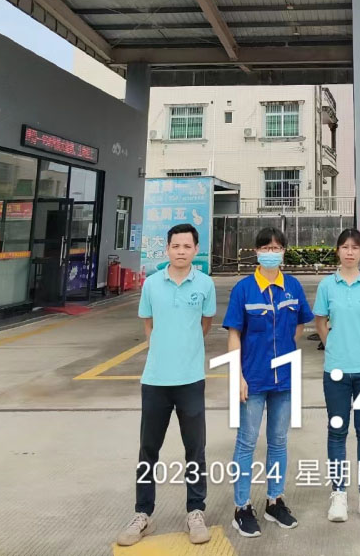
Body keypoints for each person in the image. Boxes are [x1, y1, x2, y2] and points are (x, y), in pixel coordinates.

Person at [116, 223, 216, 547]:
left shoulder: (205, 284)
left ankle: (196, 511)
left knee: (195, 449)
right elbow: (149, 324)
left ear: (196, 249)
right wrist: (163, 350)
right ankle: (142, 513)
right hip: (155, 380)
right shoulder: (152, 285)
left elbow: (205, 324)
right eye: (176, 246)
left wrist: (186, 349)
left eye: (187, 246)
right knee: (148, 449)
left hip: (191, 380)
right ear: (167, 249)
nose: (181, 251)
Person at [222, 227, 314, 538]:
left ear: (284, 251)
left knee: (278, 441)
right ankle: (241, 507)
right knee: (246, 442)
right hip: (253, 379)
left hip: (284, 380)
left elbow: (299, 325)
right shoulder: (244, 289)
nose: (271, 252)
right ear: (257, 252)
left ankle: (275, 501)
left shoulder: (293, 287)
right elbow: (234, 334)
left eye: (276, 248)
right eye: (265, 247)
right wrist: (237, 376)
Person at [314, 228, 360, 525]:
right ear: (337, 251)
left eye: (354, 247)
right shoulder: (326, 286)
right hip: (336, 369)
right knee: (337, 430)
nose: (349, 252)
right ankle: (339, 494)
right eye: (344, 247)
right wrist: (332, 344)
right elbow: (320, 321)